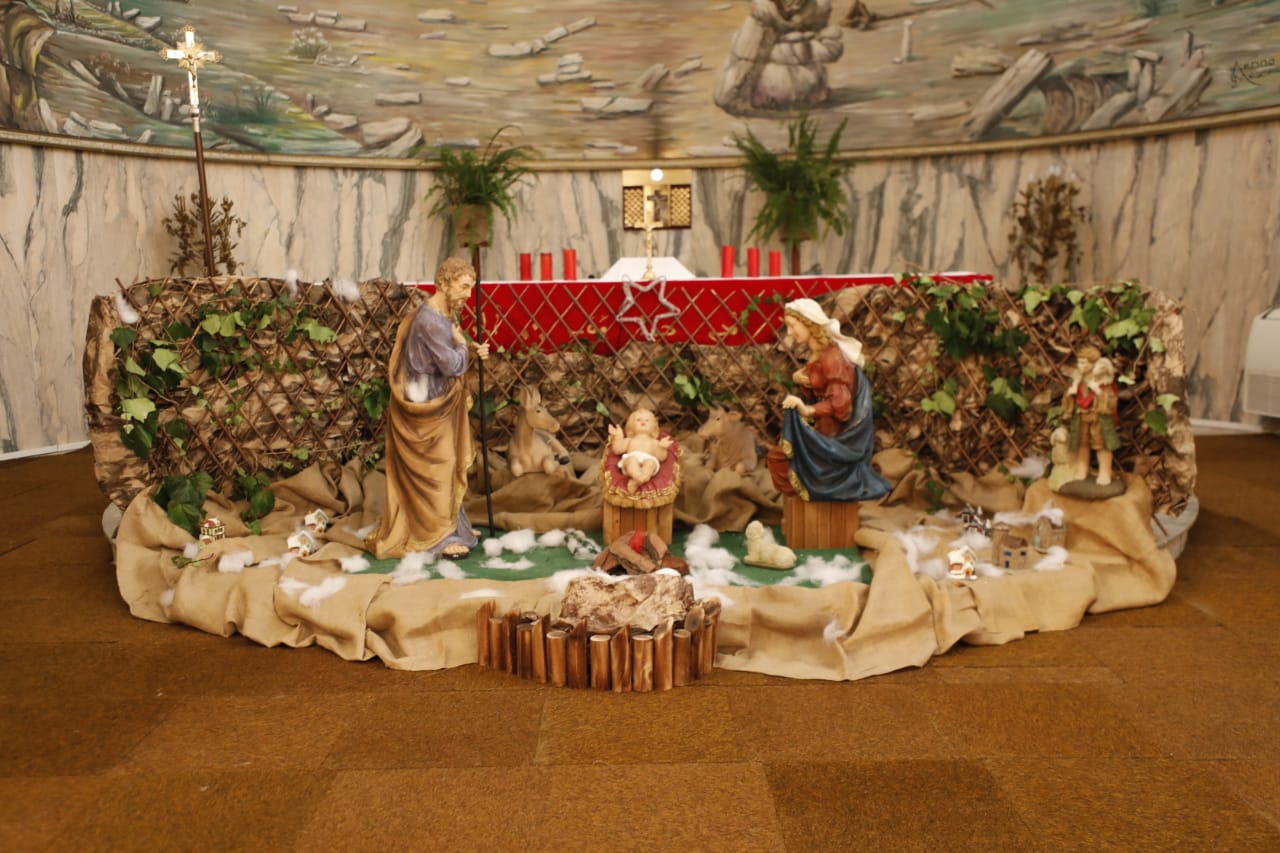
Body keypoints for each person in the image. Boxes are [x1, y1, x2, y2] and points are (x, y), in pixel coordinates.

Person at [367, 257, 489, 559]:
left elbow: (449, 354)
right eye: (463, 287)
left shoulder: (443, 314)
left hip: (438, 404)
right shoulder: (429, 321)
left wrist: (471, 350)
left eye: (470, 288)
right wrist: (463, 347)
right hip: (425, 409)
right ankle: (437, 537)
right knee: (439, 468)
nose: (468, 295)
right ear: (444, 284)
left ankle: (453, 527)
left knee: (447, 467)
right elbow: (452, 365)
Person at [766, 298, 890, 502]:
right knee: (779, 458)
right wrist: (800, 380)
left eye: (792, 326)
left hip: (833, 434)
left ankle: (817, 495)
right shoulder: (819, 353)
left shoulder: (833, 358)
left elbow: (841, 406)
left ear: (809, 323)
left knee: (780, 459)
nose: (789, 333)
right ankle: (806, 502)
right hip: (821, 424)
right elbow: (820, 386)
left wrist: (806, 409)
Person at [1061, 345, 1120, 486]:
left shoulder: (1102, 381)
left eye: (1083, 363)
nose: (1079, 366)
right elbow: (1072, 399)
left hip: (1098, 418)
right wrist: (1070, 395)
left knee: (1102, 445)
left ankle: (1104, 472)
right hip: (1082, 417)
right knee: (1082, 444)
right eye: (1079, 362)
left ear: (1093, 364)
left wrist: (1098, 391)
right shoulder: (1078, 381)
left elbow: (1111, 400)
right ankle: (1082, 470)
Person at [607, 408, 673, 493]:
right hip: (631, 463)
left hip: (648, 460)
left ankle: (637, 481)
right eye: (638, 420)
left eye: (647, 420)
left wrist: (662, 447)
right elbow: (617, 450)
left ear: (653, 427)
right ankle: (639, 478)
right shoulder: (630, 440)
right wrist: (618, 436)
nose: (643, 421)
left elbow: (661, 457)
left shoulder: (654, 442)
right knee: (632, 460)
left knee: (650, 463)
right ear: (631, 426)